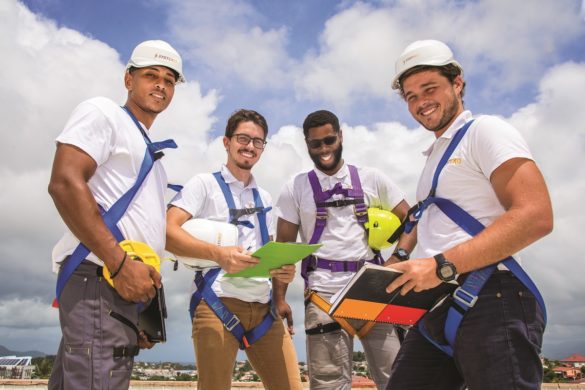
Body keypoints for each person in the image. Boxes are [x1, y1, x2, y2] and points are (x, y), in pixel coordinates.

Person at [385, 39, 553, 390]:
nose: (420, 102)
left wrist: (440, 265)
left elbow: (535, 214)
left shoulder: (486, 131)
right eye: (411, 96)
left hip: (494, 299)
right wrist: (401, 256)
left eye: (429, 88)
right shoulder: (434, 155)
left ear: (457, 82)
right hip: (438, 303)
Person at [47, 40, 184, 389]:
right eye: (151, 75)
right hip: (101, 276)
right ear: (128, 80)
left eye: (169, 80)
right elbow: (64, 182)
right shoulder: (104, 112)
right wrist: (121, 266)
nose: (161, 85)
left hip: (117, 286)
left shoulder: (151, 158)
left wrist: (138, 307)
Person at [274, 109, 414, 390]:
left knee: (397, 379)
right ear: (307, 144)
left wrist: (398, 257)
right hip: (323, 294)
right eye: (316, 144)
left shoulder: (372, 178)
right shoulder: (295, 188)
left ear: (340, 136)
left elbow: (411, 219)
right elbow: (283, 250)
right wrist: (279, 298)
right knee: (328, 384)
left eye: (329, 141)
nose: (324, 149)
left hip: (371, 289)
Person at [166, 109, 303, 390]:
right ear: (226, 142)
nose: (250, 146)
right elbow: (166, 232)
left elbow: (269, 251)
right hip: (217, 303)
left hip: (265, 310)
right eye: (243, 138)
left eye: (258, 141)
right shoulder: (204, 184)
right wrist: (219, 255)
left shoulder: (264, 197)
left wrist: (282, 279)